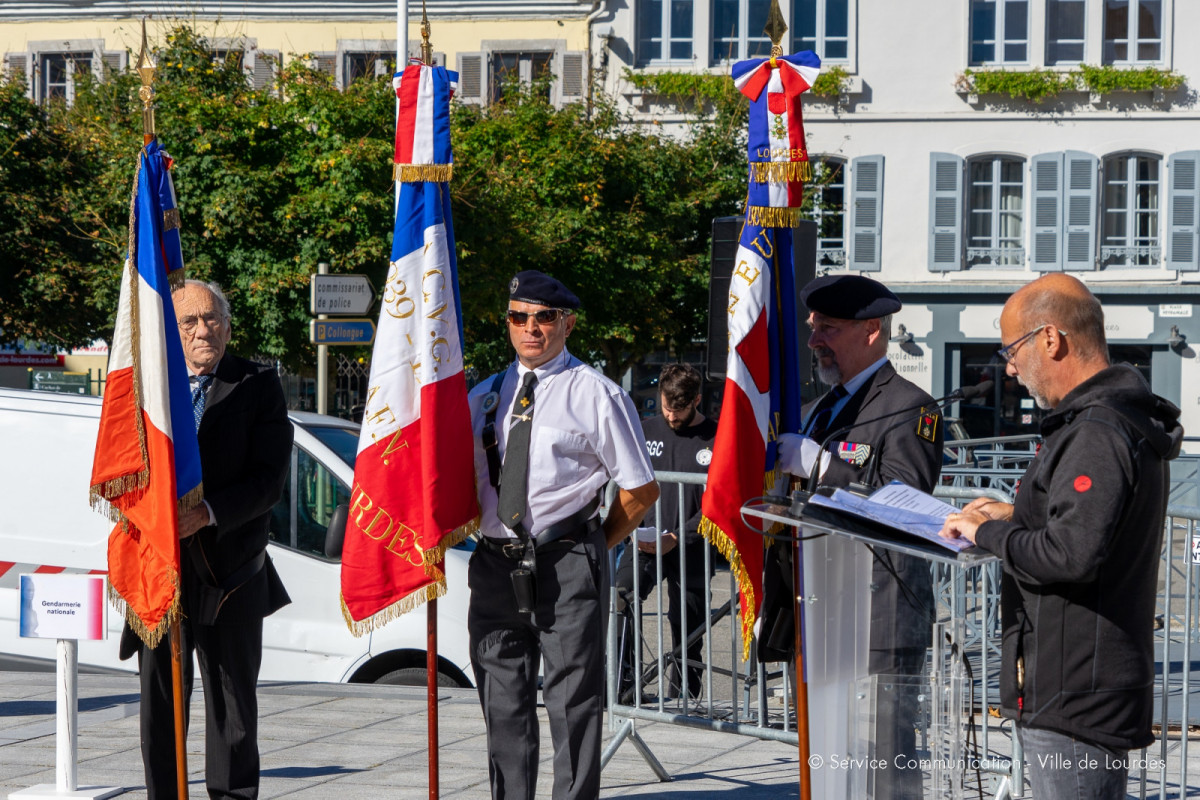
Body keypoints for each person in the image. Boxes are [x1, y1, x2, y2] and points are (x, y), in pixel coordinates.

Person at [941, 274, 1181, 800]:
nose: (1008, 367)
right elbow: (1085, 523)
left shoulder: (1096, 429)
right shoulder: (1099, 421)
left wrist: (990, 531)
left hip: (1075, 693)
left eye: (1012, 349)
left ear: (1051, 339)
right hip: (1072, 683)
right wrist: (1013, 513)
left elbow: (1071, 553)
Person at [466, 270, 659, 800]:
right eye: (518, 317)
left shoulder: (596, 394)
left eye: (544, 318)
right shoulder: (482, 396)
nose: (531, 328)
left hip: (566, 561)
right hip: (494, 565)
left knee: (573, 704)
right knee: (501, 704)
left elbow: (640, 490)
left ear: (567, 324)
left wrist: (593, 546)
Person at [769, 274, 943, 799]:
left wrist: (822, 464)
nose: (815, 340)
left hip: (879, 613)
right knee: (829, 757)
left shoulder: (911, 405)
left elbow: (905, 498)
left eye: (829, 328)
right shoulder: (826, 407)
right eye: (813, 327)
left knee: (883, 761)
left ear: (871, 330)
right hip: (824, 609)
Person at [119, 279, 293, 799]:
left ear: (228, 324)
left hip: (231, 572)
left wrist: (208, 513)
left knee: (232, 707)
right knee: (159, 702)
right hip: (159, 569)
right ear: (170, 333)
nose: (201, 330)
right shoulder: (148, 387)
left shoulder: (257, 383)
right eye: (188, 322)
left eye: (210, 318)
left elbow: (268, 481)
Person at [616, 363, 716, 701]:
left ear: (697, 400)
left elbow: (718, 504)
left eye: (680, 410)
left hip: (692, 545)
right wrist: (633, 527)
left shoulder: (716, 437)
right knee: (620, 597)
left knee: (687, 623)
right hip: (644, 537)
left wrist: (679, 536)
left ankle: (684, 696)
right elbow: (626, 482)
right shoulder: (645, 430)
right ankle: (624, 686)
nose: (671, 417)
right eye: (666, 407)